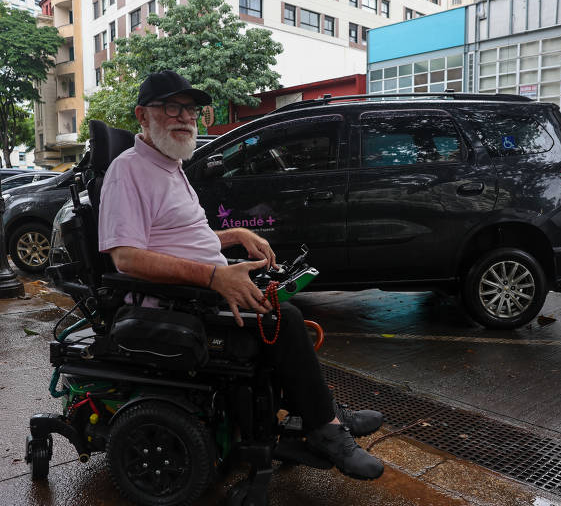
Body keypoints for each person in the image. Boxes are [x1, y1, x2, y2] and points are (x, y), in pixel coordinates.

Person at [97, 70, 384, 480]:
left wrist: (232, 235)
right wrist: (216, 278)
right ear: (143, 116)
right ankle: (325, 428)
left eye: (192, 110)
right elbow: (125, 257)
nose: (185, 118)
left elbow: (175, 235)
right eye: (172, 108)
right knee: (285, 320)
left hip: (200, 289)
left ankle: (320, 412)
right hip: (173, 302)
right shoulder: (128, 171)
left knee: (280, 301)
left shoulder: (170, 164)